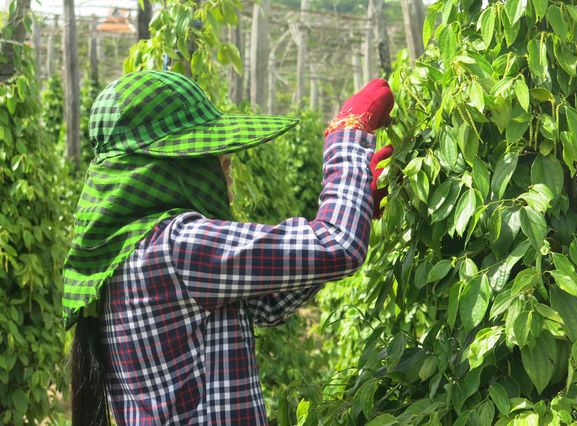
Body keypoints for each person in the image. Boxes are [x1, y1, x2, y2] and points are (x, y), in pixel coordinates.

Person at [63, 70, 394, 425]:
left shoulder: (127, 254)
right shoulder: (179, 246)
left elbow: (263, 305)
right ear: (171, 169)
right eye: (210, 153)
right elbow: (338, 245)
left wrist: (358, 201)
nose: (227, 164)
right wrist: (348, 134)